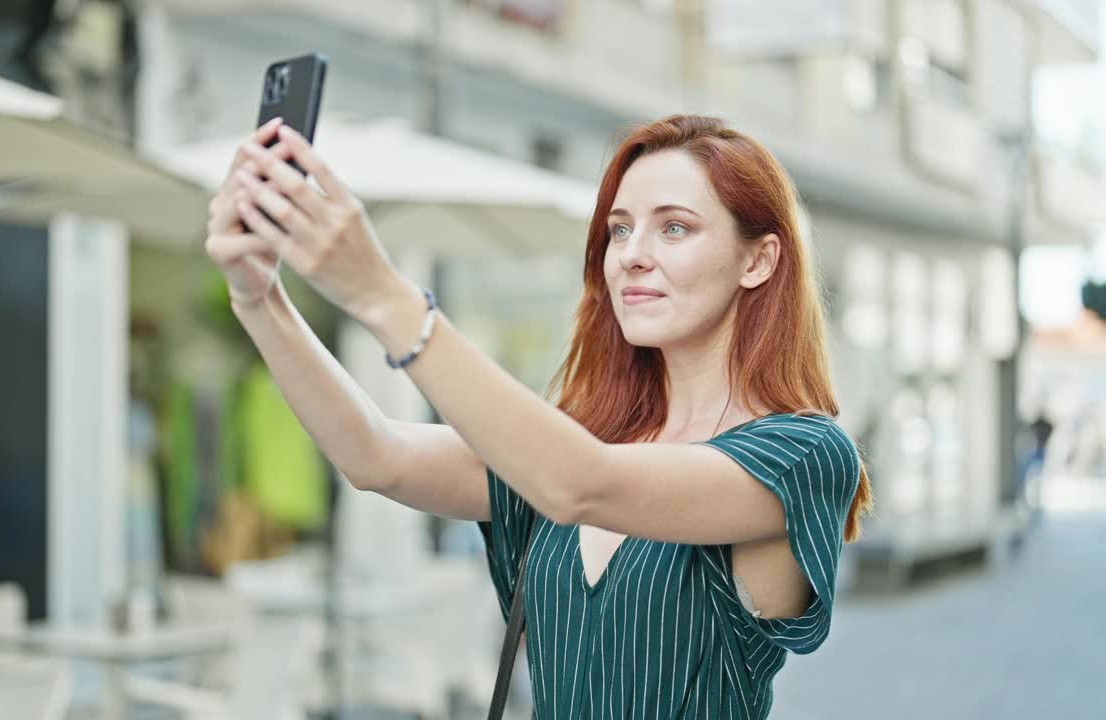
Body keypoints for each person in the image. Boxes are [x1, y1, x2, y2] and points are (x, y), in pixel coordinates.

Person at [205, 114, 873, 719]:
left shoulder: (803, 454)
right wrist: (259, 299)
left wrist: (383, 295)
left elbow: (583, 485)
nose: (632, 252)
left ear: (757, 260)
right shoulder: (579, 438)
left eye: (675, 227)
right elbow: (376, 456)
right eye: (619, 229)